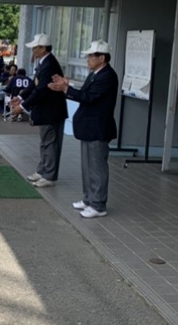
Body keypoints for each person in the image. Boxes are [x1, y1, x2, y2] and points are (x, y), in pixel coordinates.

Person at [48, 40, 118, 218]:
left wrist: (66, 89)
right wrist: (67, 87)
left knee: (97, 168)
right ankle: (89, 199)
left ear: (101, 58)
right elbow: (86, 94)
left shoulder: (107, 76)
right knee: (88, 166)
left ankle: (98, 205)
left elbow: (89, 97)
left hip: (98, 128)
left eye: (91, 56)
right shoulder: (95, 74)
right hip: (89, 128)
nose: (88, 59)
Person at [13, 34, 68, 188]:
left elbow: (41, 90)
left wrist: (23, 106)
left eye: (35, 48)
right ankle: (42, 170)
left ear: (43, 48)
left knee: (50, 143)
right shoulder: (44, 62)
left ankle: (49, 175)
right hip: (46, 111)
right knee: (45, 142)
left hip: (51, 111)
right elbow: (34, 84)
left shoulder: (49, 64)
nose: (33, 51)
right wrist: (20, 97)